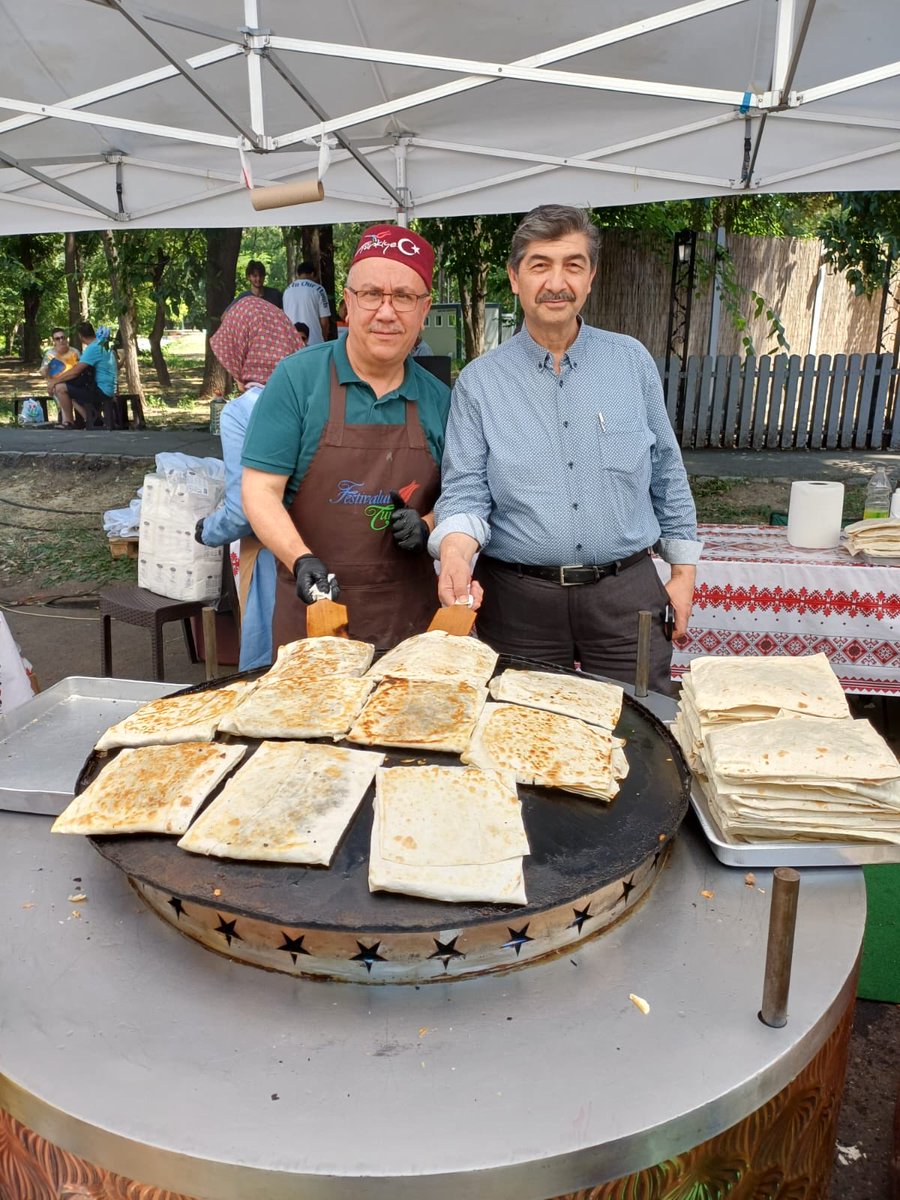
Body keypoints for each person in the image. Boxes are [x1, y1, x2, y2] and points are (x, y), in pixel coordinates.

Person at [430, 204, 700, 695]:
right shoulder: (479, 383)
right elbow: (466, 491)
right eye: (540, 265)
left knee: (640, 732)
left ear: (591, 277)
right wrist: (453, 552)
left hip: (627, 597)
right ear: (514, 278)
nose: (557, 282)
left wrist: (682, 573)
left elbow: (666, 470)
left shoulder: (630, 361)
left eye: (573, 265)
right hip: (519, 604)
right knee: (525, 741)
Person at [241, 223, 450, 651]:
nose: (387, 312)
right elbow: (260, 490)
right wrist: (300, 558)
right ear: (348, 305)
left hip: (409, 633)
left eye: (404, 297)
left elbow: (467, 497)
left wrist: (428, 524)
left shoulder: (442, 401)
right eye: (371, 294)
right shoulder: (297, 381)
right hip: (312, 627)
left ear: (424, 309)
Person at [195, 297, 304, 671]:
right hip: (318, 548)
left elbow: (245, 510)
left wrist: (208, 530)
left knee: (271, 667)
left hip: (274, 555)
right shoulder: (311, 397)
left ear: (241, 348)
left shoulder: (241, 412)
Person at [49, 322, 117, 428]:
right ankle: (92, 419)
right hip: (109, 388)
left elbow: (76, 371)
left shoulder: (93, 348)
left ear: (80, 335)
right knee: (72, 389)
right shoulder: (105, 343)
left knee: (60, 388)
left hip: (101, 390)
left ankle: (69, 422)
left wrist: (54, 381)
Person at [282, 261, 331, 345]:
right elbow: (324, 321)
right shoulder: (319, 289)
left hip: (293, 343)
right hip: (315, 343)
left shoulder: (287, 291)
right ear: (312, 274)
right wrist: (324, 338)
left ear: (298, 274)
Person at [40, 329, 79, 404]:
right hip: (56, 385)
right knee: (62, 403)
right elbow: (44, 372)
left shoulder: (75, 352)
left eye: (62, 337)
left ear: (66, 338)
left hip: (74, 384)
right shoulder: (50, 354)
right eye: (57, 339)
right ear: (53, 341)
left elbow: (80, 369)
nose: (61, 340)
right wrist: (50, 383)